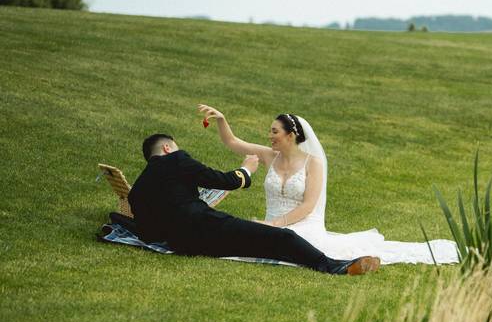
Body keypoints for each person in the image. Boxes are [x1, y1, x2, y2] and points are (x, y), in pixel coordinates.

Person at [197, 104, 460, 265]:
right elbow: (232, 142)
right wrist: (221, 119)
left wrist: (273, 225)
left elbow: (309, 206)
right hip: (271, 225)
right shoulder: (269, 156)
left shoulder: (313, 164)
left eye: (274, 132)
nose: (270, 136)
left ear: (291, 135)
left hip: (302, 227)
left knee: (299, 248)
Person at [127, 133, 380, 276]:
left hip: (183, 244)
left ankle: (323, 263)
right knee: (282, 237)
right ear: (169, 147)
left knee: (257, 244)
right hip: (204, 225)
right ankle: (335, 266)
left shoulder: (137, 192)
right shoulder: (176, 159)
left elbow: (149, 230)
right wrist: (246, 170)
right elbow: (221, 180)